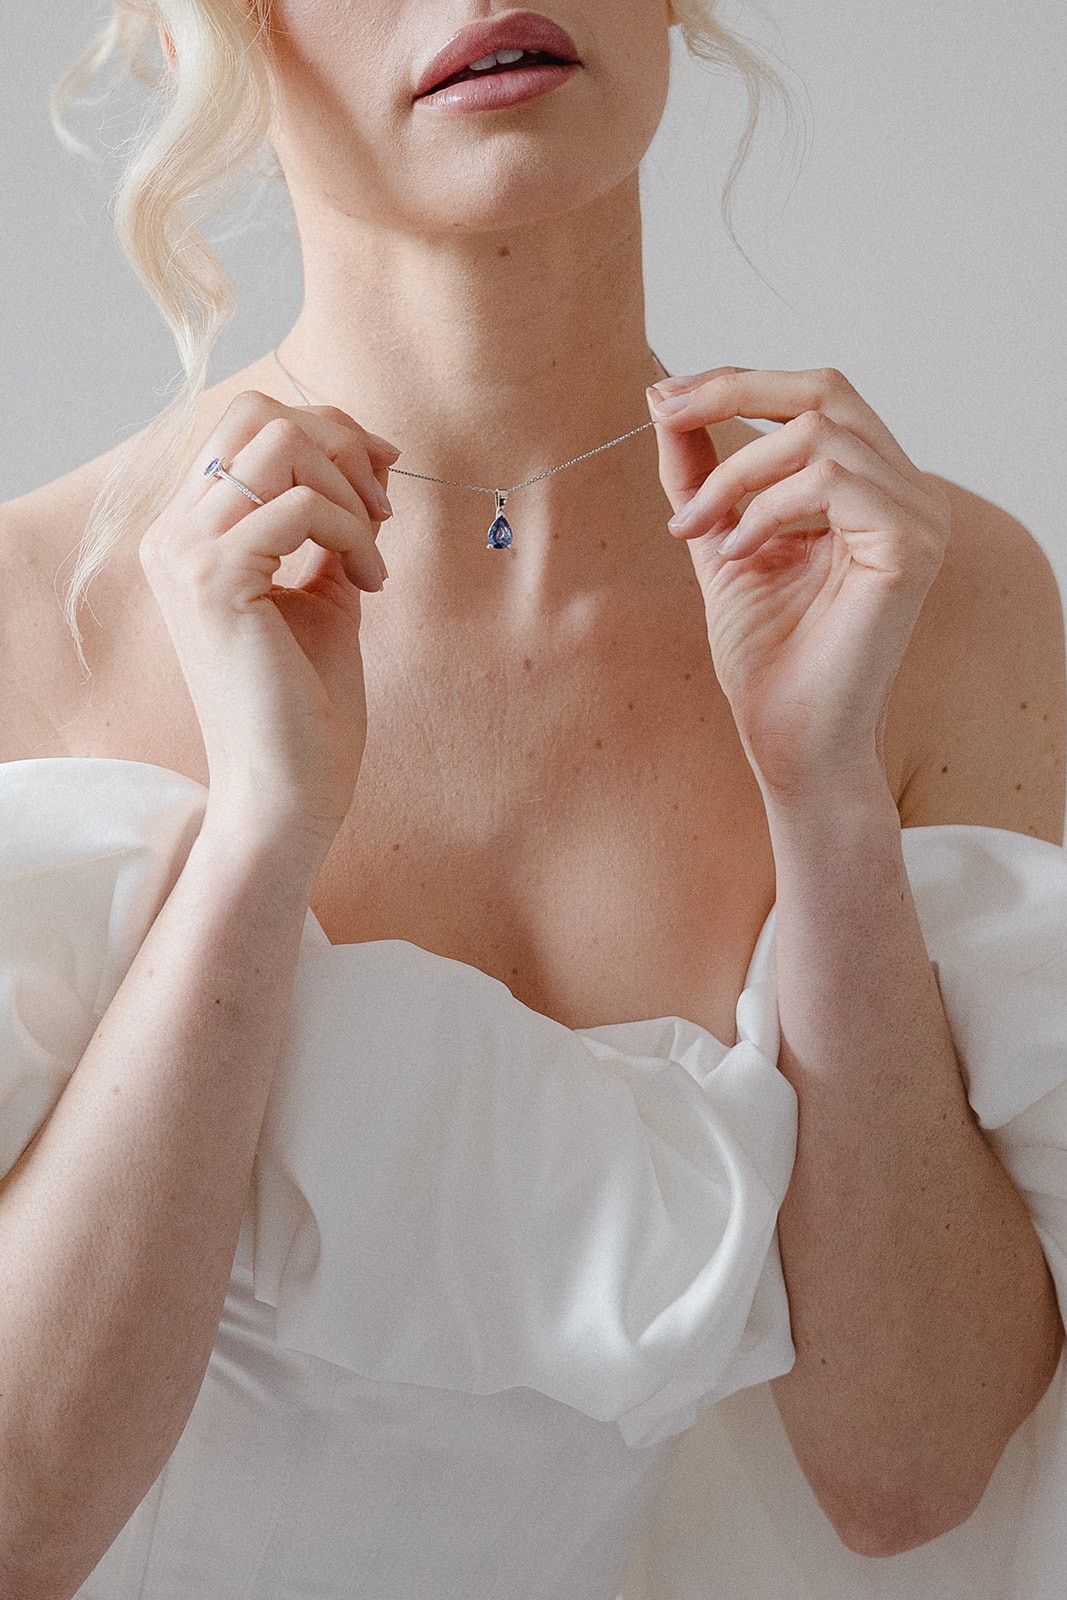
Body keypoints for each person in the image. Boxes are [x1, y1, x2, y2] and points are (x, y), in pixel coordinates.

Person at [1, 3, 1066, 1597]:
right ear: (192, 31)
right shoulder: (31, 621)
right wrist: (258, 841)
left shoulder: (929, 589)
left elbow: (912, 1472)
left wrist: (825, 796)